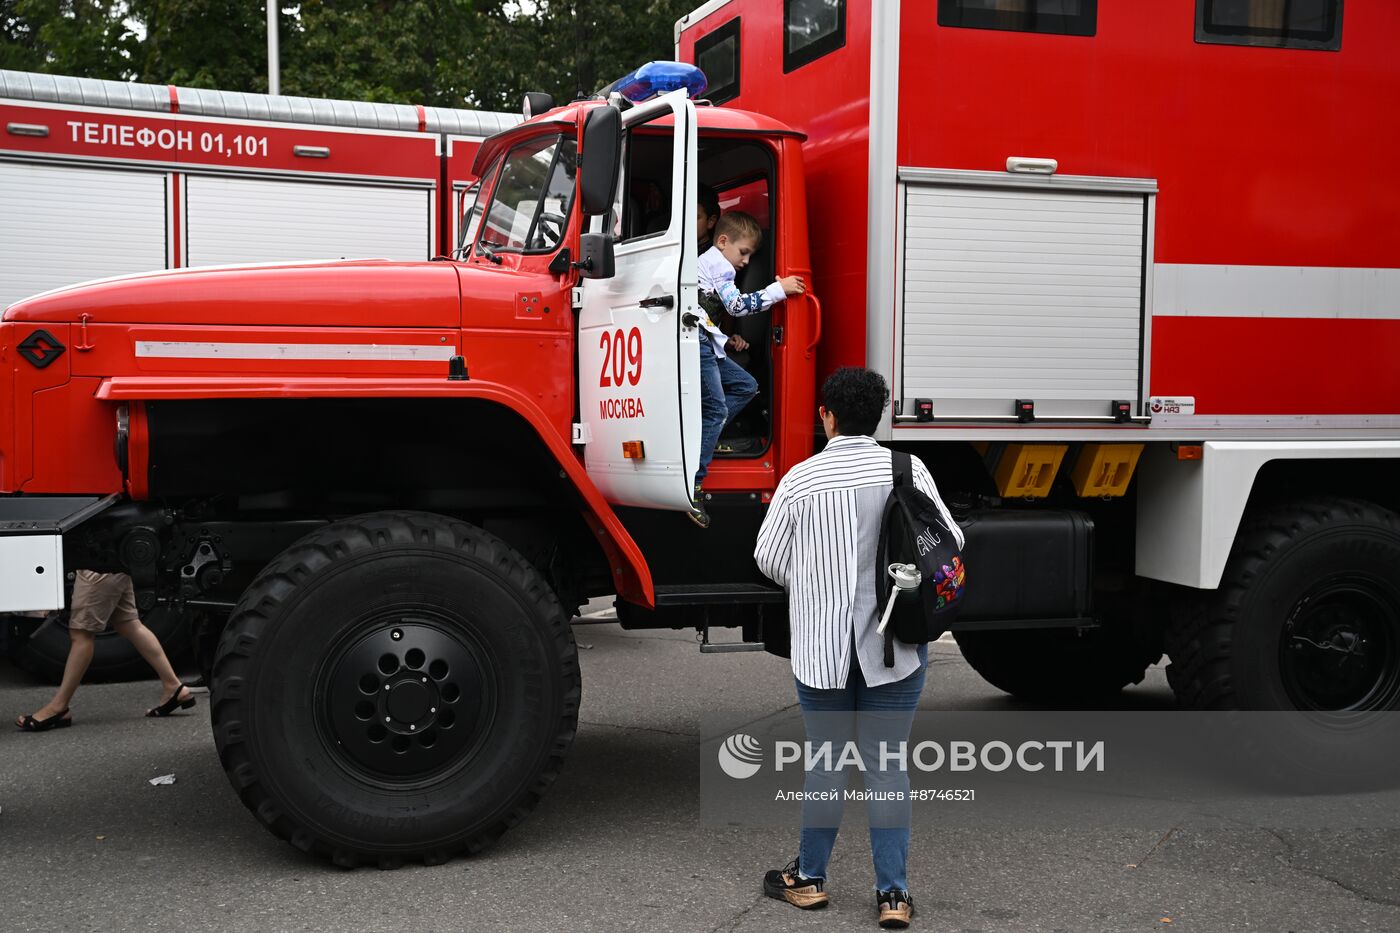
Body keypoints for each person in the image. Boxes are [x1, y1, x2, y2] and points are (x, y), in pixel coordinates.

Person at [753, 367, 963, 929]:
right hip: (893, 647)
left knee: (825, 764)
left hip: (822, 653)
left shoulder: (801, 480)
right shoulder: (906, 468)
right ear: (879, 416)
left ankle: (810, 881)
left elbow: (769, 559)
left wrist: (817, 580)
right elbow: (950, 542)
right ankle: (893, 896)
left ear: (826, 414)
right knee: (887, 767)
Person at [690, 210, 805, 528]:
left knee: (746, 385)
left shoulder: (708, 262)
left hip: (707, 340)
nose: (745, 261)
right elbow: (737, 306)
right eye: (744, 252)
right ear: (723, 241)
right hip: (697, 343)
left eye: (750, 255)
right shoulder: (720, 266)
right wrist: (779, 290)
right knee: (715, 410)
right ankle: (693, 486)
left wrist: (725, 341)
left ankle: (708, 438)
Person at [14, 570, 196, 731]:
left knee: (81, 635)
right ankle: (174, 687)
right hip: (116, 563)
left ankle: (59, 707)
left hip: (97, 567)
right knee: (129, 624)